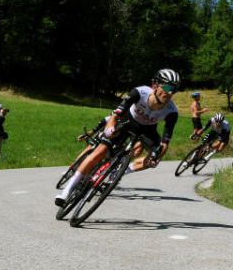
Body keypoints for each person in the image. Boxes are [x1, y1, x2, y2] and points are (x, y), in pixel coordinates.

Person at [55, 69, 181, 207]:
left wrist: (156, 156)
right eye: (168, 87)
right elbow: (115, 115)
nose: (170, 93)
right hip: (127, 121)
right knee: (100, 150)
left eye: (174, 90)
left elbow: (165, 141)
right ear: (155, 86)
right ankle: (67, 190)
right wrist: (109, 129)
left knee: (155, 158)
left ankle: (118, 172)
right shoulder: (139, 92)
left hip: (147, 130)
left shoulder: (172, 112)